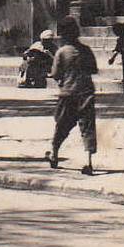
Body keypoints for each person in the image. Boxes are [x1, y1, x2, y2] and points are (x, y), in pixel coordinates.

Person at [47, 15, 98, 174]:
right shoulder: (86, 50)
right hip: (86, 93)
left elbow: (55, 74)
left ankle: (54, 153)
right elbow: (93, 69)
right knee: (88, 127)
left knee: (62, 125)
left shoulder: (61, 52)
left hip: (68, 93)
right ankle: (88, 161)